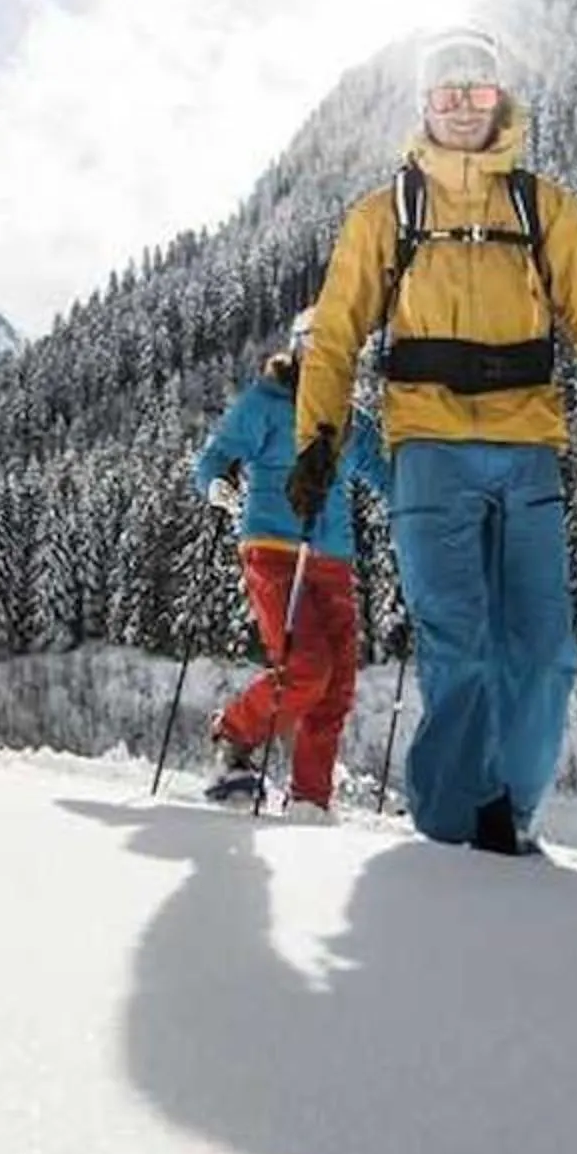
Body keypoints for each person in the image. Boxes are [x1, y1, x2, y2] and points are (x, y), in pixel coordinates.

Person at [285, 27, 577, 856]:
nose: (462, 106)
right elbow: (334, 338)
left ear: (497, 100)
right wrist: (317, 440)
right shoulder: (386, 214)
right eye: (445, 92)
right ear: (423, 105)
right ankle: (447, 838)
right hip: (427, 450)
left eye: (476, 90)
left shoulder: (544, 209)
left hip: (528, 446)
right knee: (459, 651)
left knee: (543, 655)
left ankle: (513, 813)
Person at [189, 308, 391, 820]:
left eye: (342, 354)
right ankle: (232, 736)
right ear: (299, 349)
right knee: (306, 667)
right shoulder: (266, 403)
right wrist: (217, 485)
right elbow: (215, 458)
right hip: (274, 548)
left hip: (335, 558)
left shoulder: (352, 422)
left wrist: (432, 510)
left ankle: (310, 801)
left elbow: (391, 480)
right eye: (320, 350)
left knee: (337, 686)